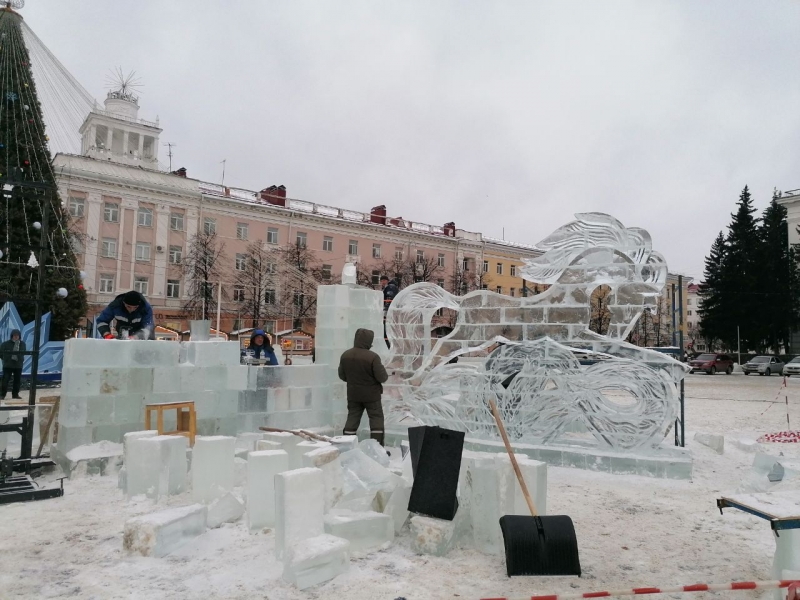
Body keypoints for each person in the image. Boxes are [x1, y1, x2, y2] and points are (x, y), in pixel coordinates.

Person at [338, 328, 389, 445]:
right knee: (376, 419)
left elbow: (342, 375)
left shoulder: (345, 355)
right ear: (368, 341)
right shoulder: (373, 357)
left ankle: (347, 445)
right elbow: (382, 377)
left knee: (352, 418)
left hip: (353, 394)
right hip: (372, 396)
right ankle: (376, 447)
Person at [1, 329, 25, 400]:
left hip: (18, 365)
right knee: (5, 380)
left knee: (17, 381)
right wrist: (7, 359)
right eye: (14, 335)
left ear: (19, 336)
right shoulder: (5, 344)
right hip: (8, 365)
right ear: (12, 336)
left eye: (17, 335)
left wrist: (20, 359)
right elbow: (1, 353)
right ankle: (2, 395)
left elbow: (23, 352)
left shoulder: (22, 344)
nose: (16, 337)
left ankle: (15, 394)